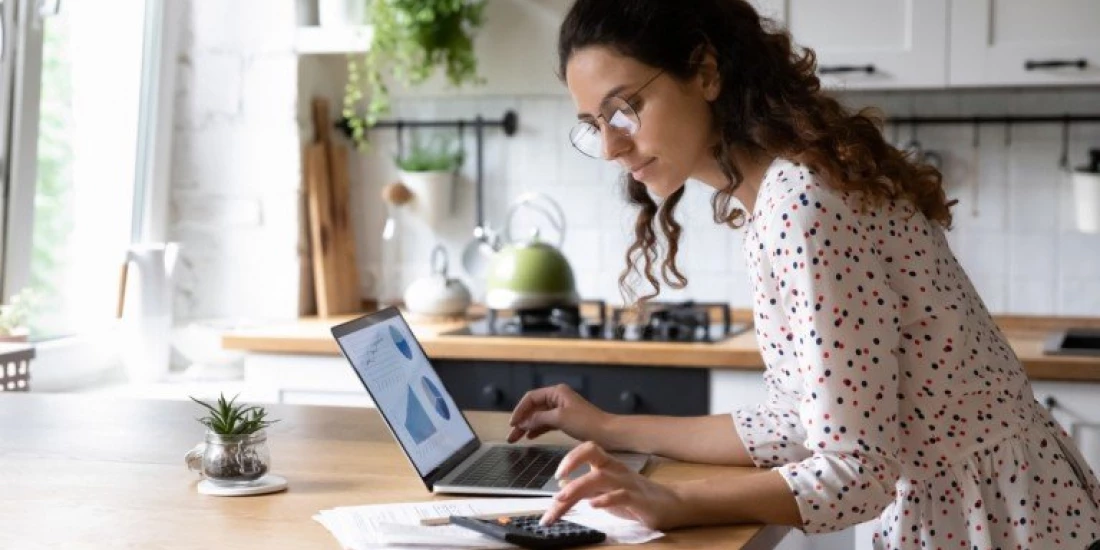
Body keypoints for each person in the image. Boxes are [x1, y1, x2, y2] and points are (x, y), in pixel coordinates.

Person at [506, 0, 1100, 548]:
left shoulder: (802, 204)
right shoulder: (776, 195)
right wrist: (609, 427)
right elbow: (796, 420)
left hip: (995, 523)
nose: (610, 147)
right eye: (594, 123)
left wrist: (673, 502)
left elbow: (856, 471)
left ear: (706, 73)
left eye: (624, 109)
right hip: (989, 509)